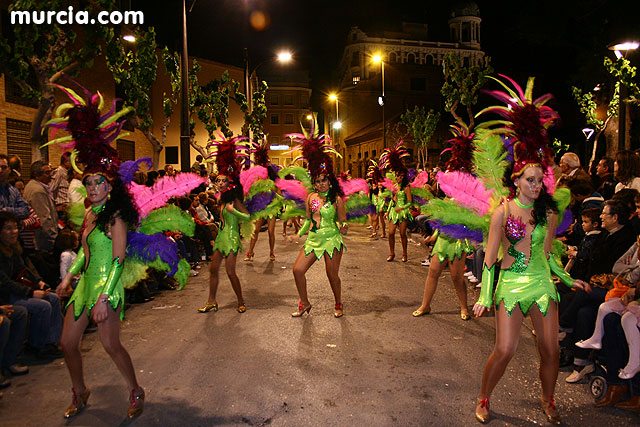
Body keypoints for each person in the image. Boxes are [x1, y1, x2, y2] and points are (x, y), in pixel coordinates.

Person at [472, 76, 588, 424]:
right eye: (530, 180)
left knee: (550, 348)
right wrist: (484, 295)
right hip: (510, 283)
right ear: (516, 181)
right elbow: (490, 259)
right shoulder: (502, 212)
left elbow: (549, 253)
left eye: (540, 180)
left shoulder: (549, 212)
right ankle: (484, 396)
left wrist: (567, 278)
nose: (537, 186)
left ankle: (548, 399)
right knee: (505, 349)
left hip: (540, 282)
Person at [48, 86, 145, 419]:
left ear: (109, 186)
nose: (91, 188)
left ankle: (135, 389)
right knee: (67, 344)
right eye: (88, 183)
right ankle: (80, 391)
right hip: (86, 283)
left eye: (98, 183)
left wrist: (104, 298)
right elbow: (84, 252)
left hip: (108, 287)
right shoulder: (90, 215)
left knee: (110, 345)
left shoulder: (115, 217)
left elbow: (117, 260)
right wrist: (69, 278)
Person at [413, 125, 475, 320]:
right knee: (433, 272)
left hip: (457, 242)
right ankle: (425, 305)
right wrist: (434, 235)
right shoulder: (447, 200)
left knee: (457, 277)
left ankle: (464, 307)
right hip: (442, 241)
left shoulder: (468, 201)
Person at [286, 127, 347, 318]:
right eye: (317, 180)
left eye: (324, 180)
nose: (321, 183)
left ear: (330, 181)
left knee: (331, 274)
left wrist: (342, 227)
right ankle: (304, 303)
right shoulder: (310, 197)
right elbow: (308, 220)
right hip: (313, 239)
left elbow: (344, 222)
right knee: (297, 270)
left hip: (331, 238)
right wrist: (298, 234)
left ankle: (338, 303)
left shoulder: (336, 199)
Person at [198, 136, 251, 314]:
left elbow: (246, 216)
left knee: (230, 272)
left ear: (230, 183)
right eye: (218, 181)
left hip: (232, 237)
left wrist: (233, 210)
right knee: (213, 270)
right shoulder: (221, 199)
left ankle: (241, 300)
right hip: (221, 237)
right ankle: (211, 300)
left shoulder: (234, 200)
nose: (219, 183)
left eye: (223, 181)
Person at [0, 212, 63, 359]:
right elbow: (5, 283)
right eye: (8, 229)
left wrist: (39, 283)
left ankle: (51, 342)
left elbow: (24, 269)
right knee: (42, 306)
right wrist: (30, 293)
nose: (13, 232)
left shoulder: (13, 249)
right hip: (6, 296)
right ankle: (37, 346)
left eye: (15, 228)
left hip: (18, 290)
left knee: (53, 298)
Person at [381, 142, 412, 262]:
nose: (398, 177)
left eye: (400, 175)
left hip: (403, 211)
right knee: (391, 233)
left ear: (403, 176)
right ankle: (392, 253)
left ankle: (404, 253)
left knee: (403, 233)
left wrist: (403, 208)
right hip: (394, 211)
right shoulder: (394, 186)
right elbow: (393, 201)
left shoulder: (407, 187)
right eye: (396, 175)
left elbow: (410, 202)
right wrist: (387, 211)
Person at [23, 160, 58, 252]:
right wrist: (54, 239)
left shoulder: (37, 186)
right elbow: (44, 218)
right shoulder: (38, 191)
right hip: (42, 241)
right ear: (36, 174)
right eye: (47, 172)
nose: (51, 175)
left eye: (51, 171)